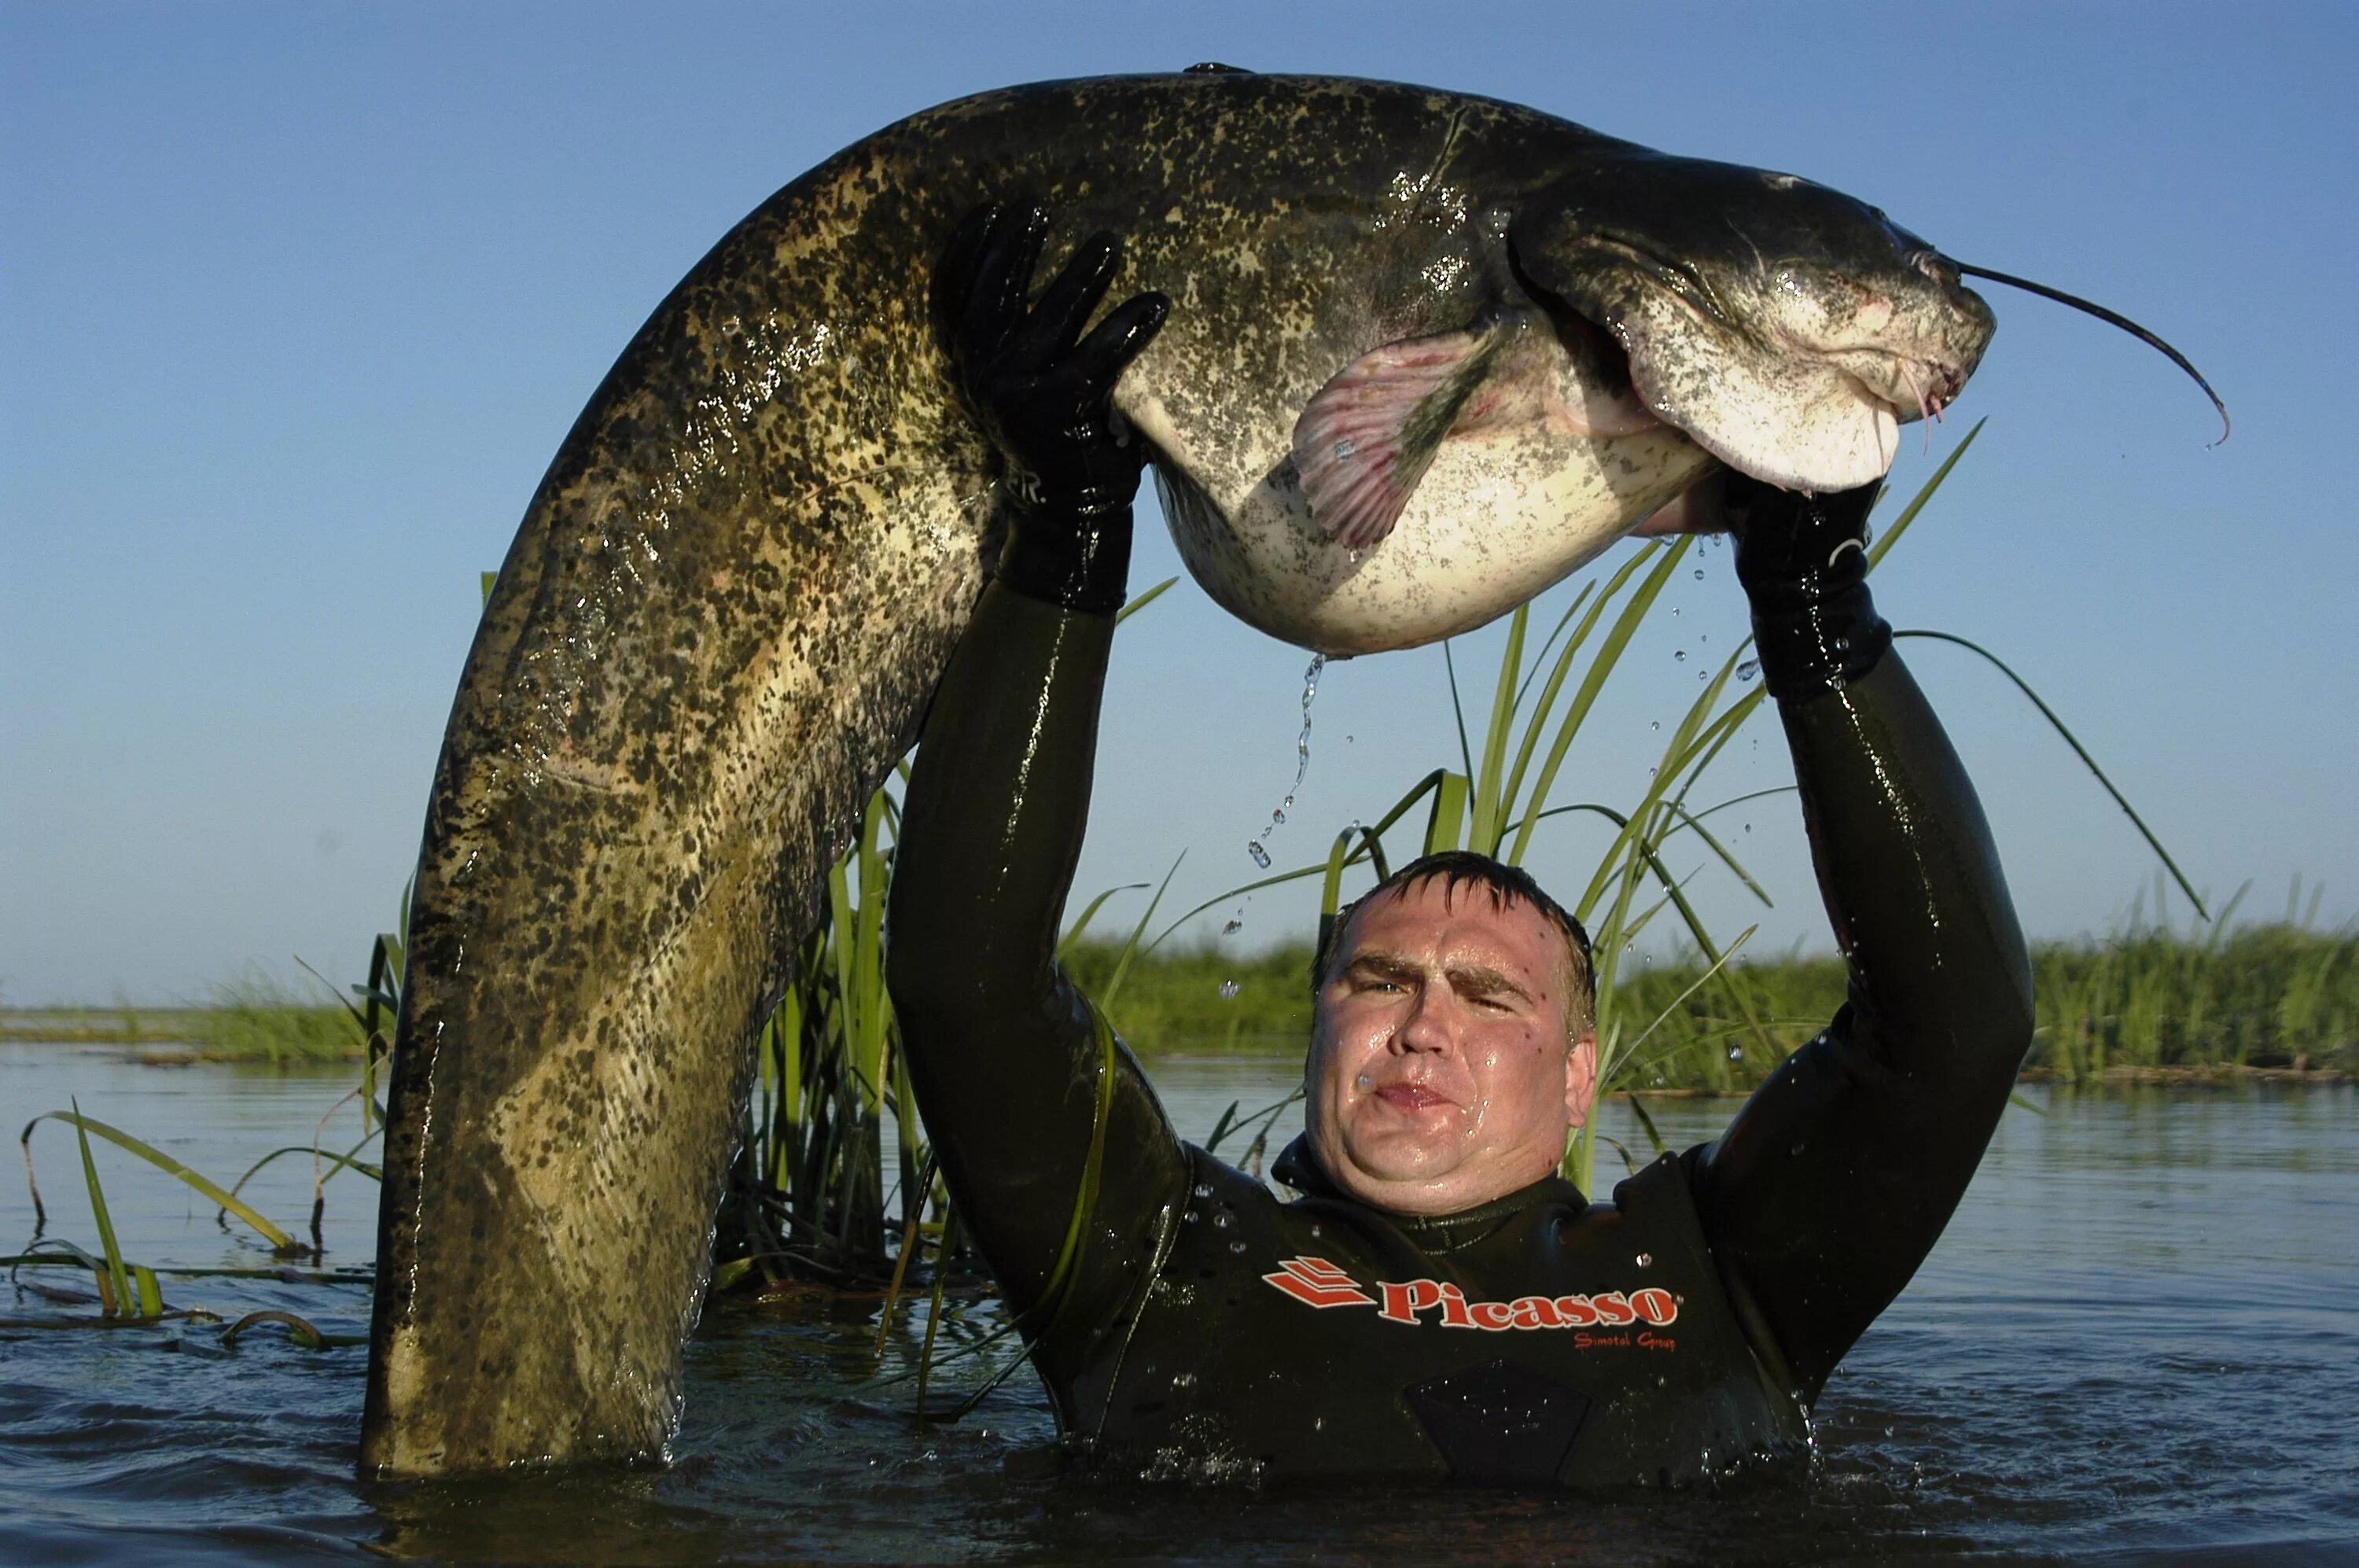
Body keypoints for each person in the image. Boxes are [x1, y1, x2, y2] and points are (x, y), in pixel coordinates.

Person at [885, 203, 2033, 1488]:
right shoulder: (1163, 1258)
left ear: (1582, 1076)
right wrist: (1069, 527)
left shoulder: (1718, 1269)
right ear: (1317, 1024)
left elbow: (1954, 1031)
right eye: (1378, 982)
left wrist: (1816, 608)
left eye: (1489, 995)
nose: (1419, 1026)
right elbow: (963, 981)